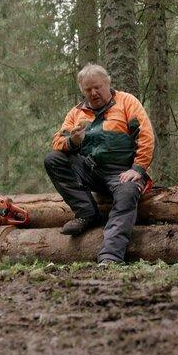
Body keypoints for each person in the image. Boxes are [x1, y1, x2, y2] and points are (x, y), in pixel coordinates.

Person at [44, 64, 156, 265]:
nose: (93, 93)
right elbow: (57, 142)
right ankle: (86, 213)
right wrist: (73, 142)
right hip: (91, 170)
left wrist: (138, 168)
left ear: (107, 83)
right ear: (82, 91)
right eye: (88, 90)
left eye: (97, 87)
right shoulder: (76, 113)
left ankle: (110, 256)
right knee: (54, 159)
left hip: (122, 172)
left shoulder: (127, 102)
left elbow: (146, 136)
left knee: (127, 194)